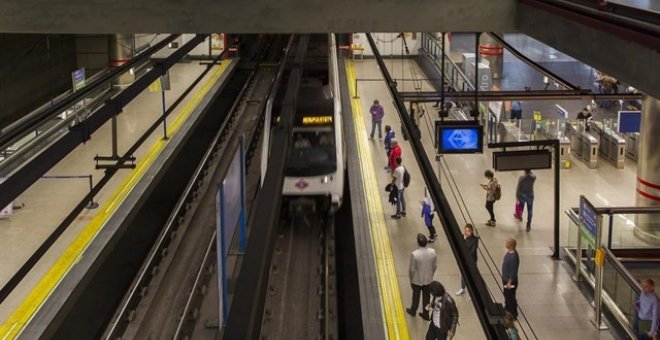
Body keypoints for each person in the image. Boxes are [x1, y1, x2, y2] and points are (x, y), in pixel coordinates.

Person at [406, 233, 437, 321]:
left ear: (418, 243)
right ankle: (426, 313)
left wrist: (411, 279)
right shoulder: (432, 252)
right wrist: (431, 274)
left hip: (417, 279)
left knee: (416, 296)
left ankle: (413, 310)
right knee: (427, 297)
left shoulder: (415, 254)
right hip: (428, 279)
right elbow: (435, 266)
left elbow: (412, 270)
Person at [456, 223, 479, 296]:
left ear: (471, 231)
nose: (466, 232)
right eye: (465, 231)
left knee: (472, 275)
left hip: (471, 260)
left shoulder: (475, 239)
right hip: (465, 260)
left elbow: (473, 250)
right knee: (463, 274)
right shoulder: (464, 238)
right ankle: (462, 288)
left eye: (468, 231)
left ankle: (474, 292)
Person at [502, 238, 520, 319]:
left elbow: (513, 271)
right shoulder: (509, 253)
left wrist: (509, 282)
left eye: (507, 242)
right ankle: (507, 309)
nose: (506, 243)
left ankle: (513, 314)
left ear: (511, 245)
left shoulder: (514, 257)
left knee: (511, 297)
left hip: (510, 281)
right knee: (507, 295)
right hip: (505, 279)